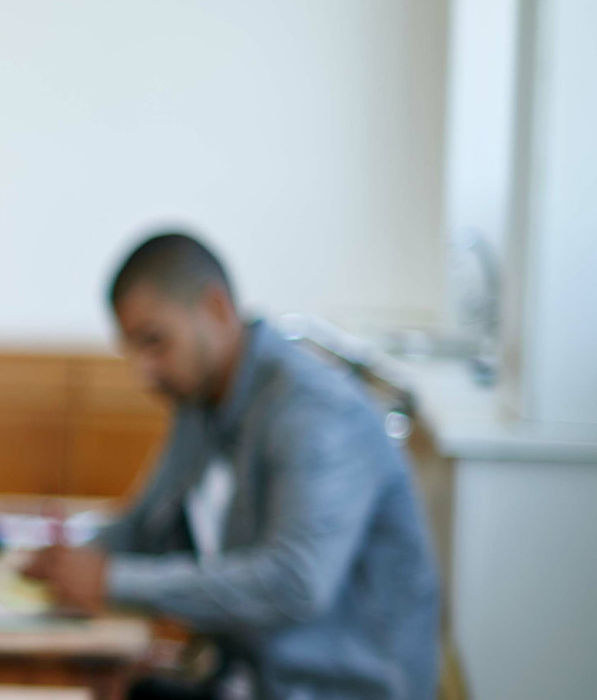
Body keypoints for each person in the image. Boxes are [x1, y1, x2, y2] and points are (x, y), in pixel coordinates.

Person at [24, 233, 439, 700]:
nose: (145, 373)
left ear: (216, 309)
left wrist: (110, 579)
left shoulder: (313, 410)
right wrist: (67, 560)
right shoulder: (202, 398)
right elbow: (147, 525)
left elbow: (295, 582)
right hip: (248, 676)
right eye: (133, 350)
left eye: (155, 342)